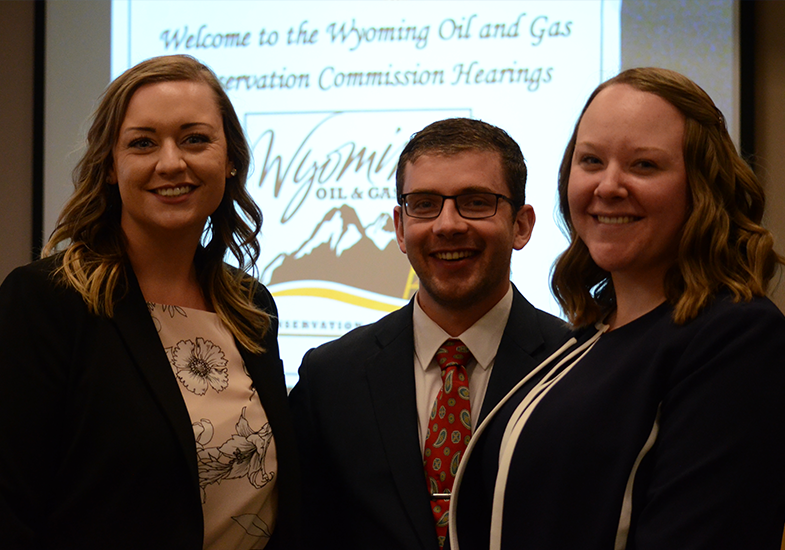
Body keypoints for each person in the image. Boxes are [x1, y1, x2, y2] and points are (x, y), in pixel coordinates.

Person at [450, 67, 785, 550]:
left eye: (644, 165)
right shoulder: (587, 338)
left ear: (702, 187)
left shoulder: (736, 338)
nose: (608, 186)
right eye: (591, 161)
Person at [0, 55, 300, 550]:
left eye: (194, 139)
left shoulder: (250, 307)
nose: (171, 162)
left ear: (229, 161)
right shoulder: (46, 302)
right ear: (111, 168)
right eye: (143, 143)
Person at [288, 117, 570, 550]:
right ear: (400, 228)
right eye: (424, 204)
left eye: (476, 202)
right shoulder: (331, 378)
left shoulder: (578, 365)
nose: (447, 225)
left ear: (521, 225)